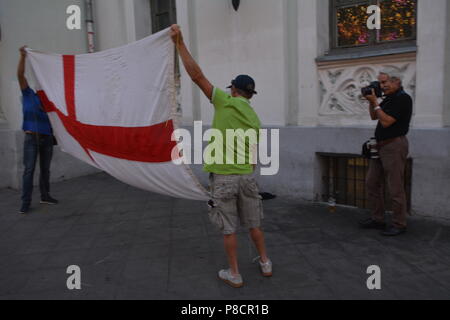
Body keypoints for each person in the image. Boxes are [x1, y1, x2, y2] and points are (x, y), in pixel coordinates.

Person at [169, 25, 272, 288]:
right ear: (251, 94)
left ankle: (234, 273)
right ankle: (265, 262)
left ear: (233, 90)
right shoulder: (253, 116)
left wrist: (180, 43)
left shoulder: (225, 101)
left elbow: (197, 76)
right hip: (247, 177)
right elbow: (252, 153)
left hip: (224, 178)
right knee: (254, 223)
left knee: (229, 228)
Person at [361, 68, 413, 236]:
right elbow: (374, 117)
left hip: (394, 146)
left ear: (396, 81)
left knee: (395, 187)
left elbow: (386, 122)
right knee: (371, 182)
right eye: (380, 82)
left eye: (385, 82)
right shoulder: (388, 99)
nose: (381, 86)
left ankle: (399, 224)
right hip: (380, 146)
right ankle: (378, 219)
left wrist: (375, 102)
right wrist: (372, 101)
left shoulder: (403, 99)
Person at [17, 46, 58, 214]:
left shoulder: (50, 100)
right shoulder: (28, 94)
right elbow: (20, 75)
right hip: (31, 138)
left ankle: (45, 195)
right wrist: (23, 57)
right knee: (29, 170)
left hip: (47, 137)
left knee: (45, 169)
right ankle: (25, 202)